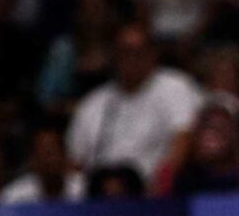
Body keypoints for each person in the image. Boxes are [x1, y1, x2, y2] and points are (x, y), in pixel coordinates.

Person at [67, 23, 203, 185]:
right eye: (124, 52)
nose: (131, 59)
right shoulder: (93, 103)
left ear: (153, 53)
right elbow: (75, 162)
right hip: (100, 197)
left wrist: (160, 186)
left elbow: (184, 140)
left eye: (138, 52)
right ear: (114, 56)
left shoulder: (176, 87)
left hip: (154, 195)